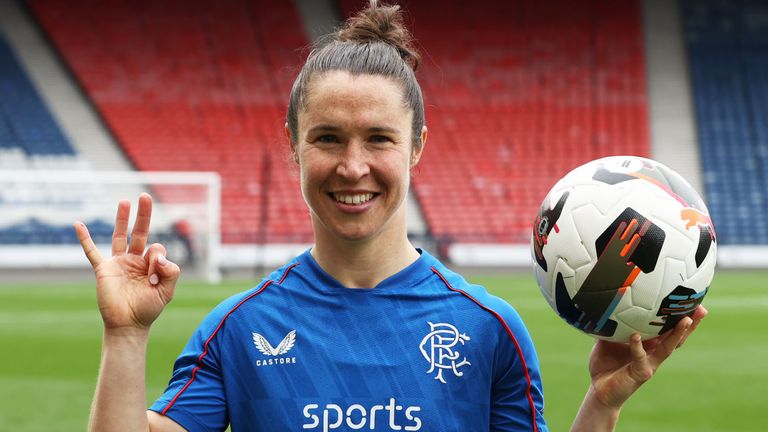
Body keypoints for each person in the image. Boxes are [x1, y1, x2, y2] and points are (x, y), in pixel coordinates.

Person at [74, 2, 707, 431]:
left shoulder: (489, 330)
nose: (353, 167)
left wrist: (600, 404)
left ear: (418, 146)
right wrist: (126, 338)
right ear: (292, 143)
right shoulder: (239, 330)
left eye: (379, 138)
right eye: (327, 138)